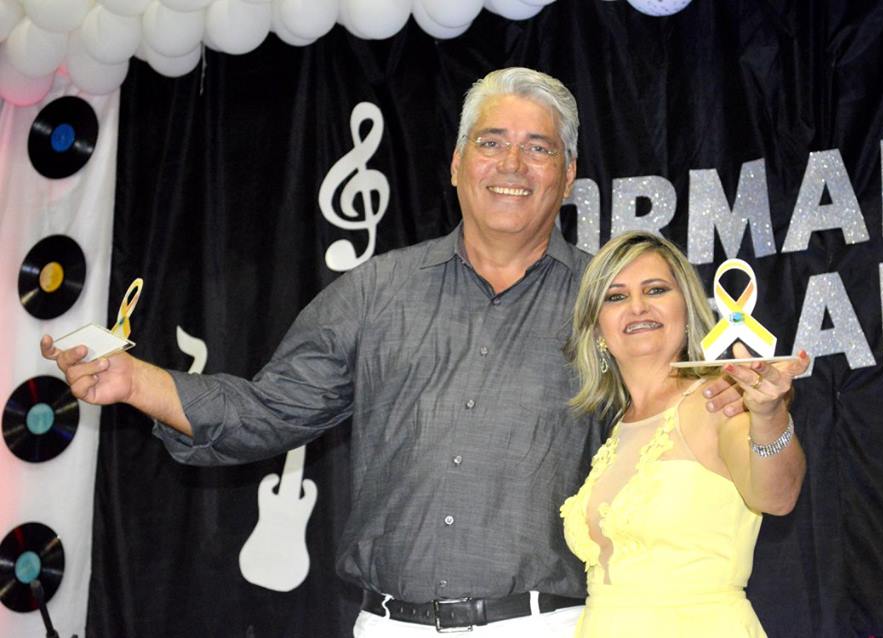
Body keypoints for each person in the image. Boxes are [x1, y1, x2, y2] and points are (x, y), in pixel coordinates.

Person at [41, 68, 742, 636]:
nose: (512, 164)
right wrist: (135, 382)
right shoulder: (375, 292)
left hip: (549, 625)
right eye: (492, 142)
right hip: (388, 625)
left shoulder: (610, 303)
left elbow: (691, 425)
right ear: (457, 164)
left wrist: (758, 418)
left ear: (568, 173)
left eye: (539, 148)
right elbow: (267, 411)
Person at [559, 231, 808, 637]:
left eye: (655, 289)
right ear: (598, 329)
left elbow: (778, 497)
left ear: (688, 308)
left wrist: (768, 415)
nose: (637, 306)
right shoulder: (618, 426)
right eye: (616, 296)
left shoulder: (717, 399)